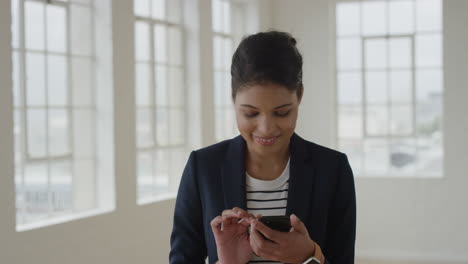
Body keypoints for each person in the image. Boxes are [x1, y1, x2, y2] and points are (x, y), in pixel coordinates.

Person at [170, 31, 356, 264]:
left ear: (299, 96)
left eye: (282, 112)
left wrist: (310, 257)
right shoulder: (203, 167)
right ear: (233, 99)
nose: (266, 128)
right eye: (251, 113)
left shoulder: (333, 169)